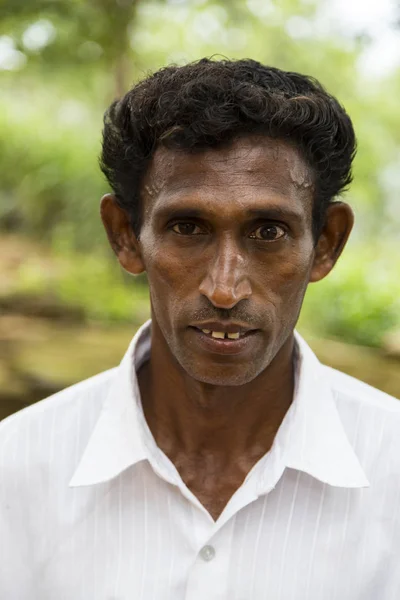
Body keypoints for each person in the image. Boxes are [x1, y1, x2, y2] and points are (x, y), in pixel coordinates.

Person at [0, 58, 399, 600]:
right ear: (125, 235)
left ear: (326, 243)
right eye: (187, 228)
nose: (225, 289)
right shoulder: (16, 469)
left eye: (268, 231)